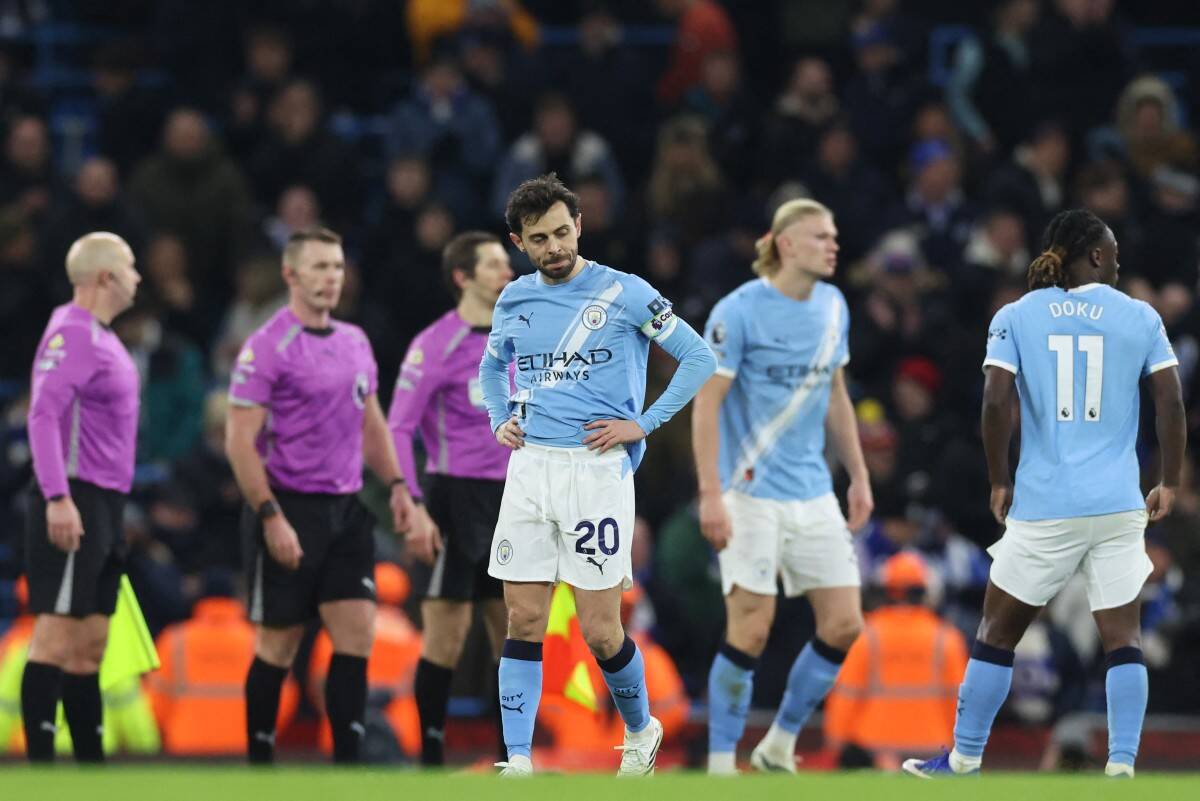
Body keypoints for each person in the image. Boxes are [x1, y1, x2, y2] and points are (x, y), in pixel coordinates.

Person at [903, 209, 1186, 779]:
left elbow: (993, 403)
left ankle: (963, 760)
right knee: (1122, 638)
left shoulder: (1016, 315)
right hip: (1116, 503)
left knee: (997, 632)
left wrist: (999, 478)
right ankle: (1122, 766)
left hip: (1045, 503)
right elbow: (1171, 404)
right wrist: (1172, 480)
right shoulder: (1140, 316)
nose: (1120, 260)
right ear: (1098, 256)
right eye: (1114, 250)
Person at [479, 173, 716, 776]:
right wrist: (500, 418)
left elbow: (699, 357)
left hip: (596, 471)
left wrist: (645, 423)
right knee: (524, 618)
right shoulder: (513, 299)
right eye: (540, 238)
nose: (555, 246)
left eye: (563, 232)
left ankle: (641, 730)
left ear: (579, 226)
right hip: (530, 468)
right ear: (519, 242)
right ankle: (518, 758)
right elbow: (491, 367)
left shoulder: (627, 293)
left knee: (600, 629)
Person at [693, 198, 873, 775]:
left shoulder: (834, 305)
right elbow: (706, 403)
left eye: (835, 235)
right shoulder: (736, 312)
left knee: (845, 624)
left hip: (813, 490)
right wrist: (710, 494)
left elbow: (836, 394)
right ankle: (721, 766)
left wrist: (859, 476)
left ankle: (778, 745)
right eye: (821, 235)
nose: (833, 244)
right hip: (747, 492)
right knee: (751, 628)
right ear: (786, 244)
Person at [226, 227, 416, 764]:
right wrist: (269, 516)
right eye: (318, 268)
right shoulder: (266, 346)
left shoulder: (355, 341)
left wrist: (399, 485)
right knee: (279, 647)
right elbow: (239, 443)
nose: (331, 278)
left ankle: (347, 770)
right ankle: (260, 767)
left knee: (356, 639)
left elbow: (371, 424)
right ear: (290, 274)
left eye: (336, 267)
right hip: (287, 505)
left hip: (346, 510)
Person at [386, 230, 514, 765]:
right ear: (463, 277)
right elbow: (398, 428)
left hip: (515, 498)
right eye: (493, 265)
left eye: (507, 263)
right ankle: (431, 762)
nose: (507, 272)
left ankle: (516, 759)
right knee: (447, 636)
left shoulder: (524, 335)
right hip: (453, 498)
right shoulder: (435, 344)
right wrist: (412, 503)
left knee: (516, 632)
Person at [22, 232, 142, 763]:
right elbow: (43, 414)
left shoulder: (103, 336)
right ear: (104, 277)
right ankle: (41, 774)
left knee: (91, 643)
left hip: (107, 503)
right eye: (131, 266)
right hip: (77, 495)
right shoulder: (71, 335)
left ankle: (91, 772)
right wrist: (57, 496)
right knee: (55, 634)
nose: (138, 276)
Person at [823, 552, 968, 768]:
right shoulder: (946, 638)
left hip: (874, 745)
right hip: (932, 745)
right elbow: (960, 700)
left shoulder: (866, 636)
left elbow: (846, 692)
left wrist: (837, 741)